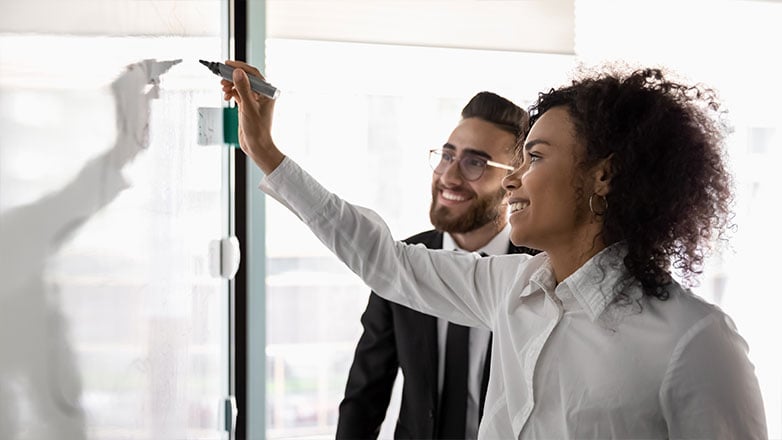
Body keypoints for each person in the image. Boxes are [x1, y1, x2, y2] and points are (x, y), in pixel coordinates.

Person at [220, 62, 768, 439]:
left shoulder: (695, 341)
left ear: (602, 177)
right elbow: (383, 260)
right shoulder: (510, 287)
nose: (513, 182)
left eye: (536, 158)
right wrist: (265, 152)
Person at [336, 92, 538, 440]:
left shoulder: (539, 270)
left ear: (513, 181)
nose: (449, 176)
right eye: (447, 155)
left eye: (475, 163)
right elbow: (365, 394)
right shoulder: (401, 260)